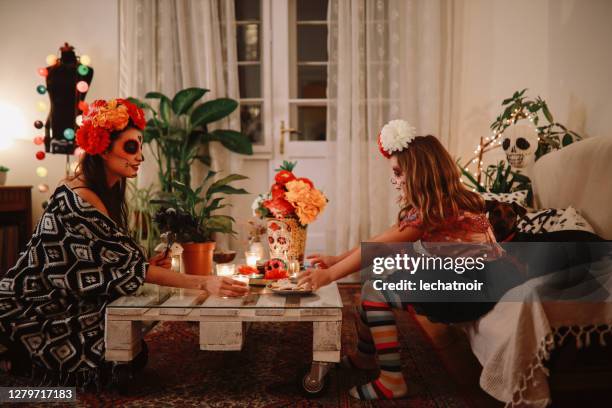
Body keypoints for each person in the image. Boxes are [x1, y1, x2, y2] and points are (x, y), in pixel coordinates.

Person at [0, 98, 247, 387]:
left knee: (130, 348)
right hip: (38, 305)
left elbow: (107, 261)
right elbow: (122, 269)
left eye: (141, 145)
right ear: (103, 149)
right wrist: (204, 282)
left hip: (70, 296)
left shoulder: (105, 188)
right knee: (120, 362)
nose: (140, 156)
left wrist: (142, 265)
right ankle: (18, 356)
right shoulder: (81, 198)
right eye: (131, 147)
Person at [299, 119, 514, 400]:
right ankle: (365, 357)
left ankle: (392, 379)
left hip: (469, 291)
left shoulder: (434, 212)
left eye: (399, 173)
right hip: (470, 282)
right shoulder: (444, 204)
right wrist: (337, 258)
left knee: (376, 292)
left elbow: (376, 248)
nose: (395, 180)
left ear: (420, 173)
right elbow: (380, 240)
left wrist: (329, 275)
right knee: (374, 284)